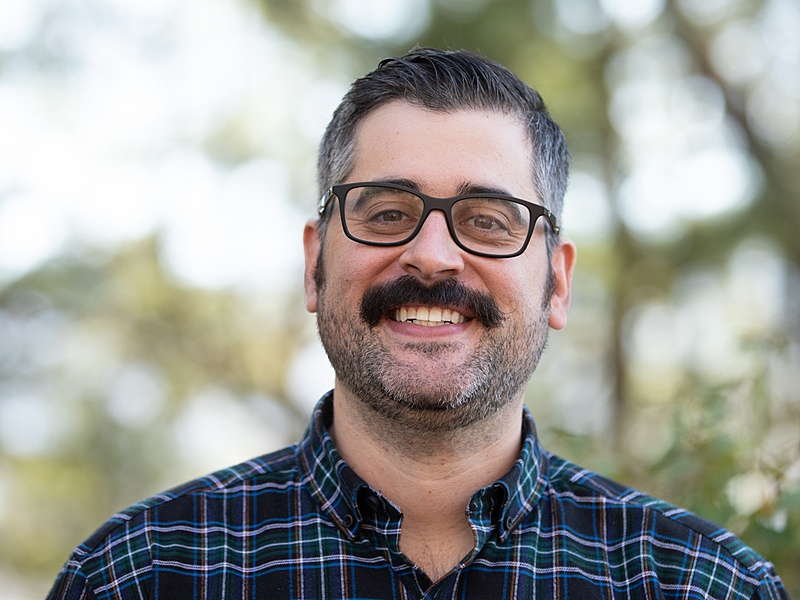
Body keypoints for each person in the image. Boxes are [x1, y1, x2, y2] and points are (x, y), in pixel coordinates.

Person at [48, 47, 788, 599]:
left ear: (557, 282)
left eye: (489, 221)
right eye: (388, 213)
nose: (432, 256)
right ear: (314, 265)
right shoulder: (138, 576)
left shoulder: (704, 585)